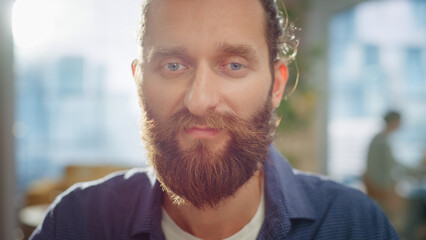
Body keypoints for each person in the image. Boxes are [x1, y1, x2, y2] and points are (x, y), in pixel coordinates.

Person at [30, 0, 398, 239]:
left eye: (233, 65)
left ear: (276, 85)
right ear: (139, 83)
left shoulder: (356, 225)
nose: (200, 100)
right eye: (173, 65)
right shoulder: (75, 223)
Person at [364, 111, 404, 230]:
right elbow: (388, 168)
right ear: (394, 122)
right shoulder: (381, 142)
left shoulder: (381, 139)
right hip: (380, 190)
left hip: (381, 189)